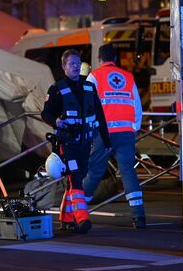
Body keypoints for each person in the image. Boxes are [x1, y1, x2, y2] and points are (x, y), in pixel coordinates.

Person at [41, 49, 111, 234]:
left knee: (74, 181)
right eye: (71, 64)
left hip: (85, 144)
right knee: (76, 179)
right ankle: (82, 219)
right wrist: (55, 121)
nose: (75, 67)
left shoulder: (89, 87)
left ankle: (66, 218)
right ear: (64, 67)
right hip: (67, 143)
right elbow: (45, 113)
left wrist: (106, 138)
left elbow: (100, 115)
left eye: (78, 64)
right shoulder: (56, 89)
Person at [83, 44, 147, 229]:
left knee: (94, 172)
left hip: (103, 134)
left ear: (99, 58)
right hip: (126, 133)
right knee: (128, 171)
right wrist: (133, 128)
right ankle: (138, 216)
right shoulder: (127, 77)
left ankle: (77, 211)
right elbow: (137, 107)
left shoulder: (94, 76)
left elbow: (89, 106)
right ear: (116, 58)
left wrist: (90, 129)